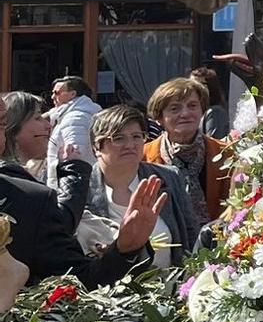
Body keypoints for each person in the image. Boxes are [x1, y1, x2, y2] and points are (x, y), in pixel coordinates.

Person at [0, 92, 163, 287]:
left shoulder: (29, 200)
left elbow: (80, 280)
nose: (47, 125)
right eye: (118, 138)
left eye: (1, 124)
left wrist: (126, 250)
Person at [72, 105, 202, 269]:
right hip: (106, 290)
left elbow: (191, 234)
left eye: (137, 136)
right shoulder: (81, 188)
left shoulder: (168, 177)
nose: (130, 144)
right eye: (118, 138)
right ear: (96, 147)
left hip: (170, 288)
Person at [144, 75, 230, 225]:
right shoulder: (143, 157)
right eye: (175, 108)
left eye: (192, 106)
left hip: (216, 240)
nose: (185, 114)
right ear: (160, 117)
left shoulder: (225, 153)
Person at [45, 76, 101, 165]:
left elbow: (76, 154)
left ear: (72, 94)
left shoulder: (75, 118)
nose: (52, 97)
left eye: (57, 93)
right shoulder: (69, 114)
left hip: (73, 175)